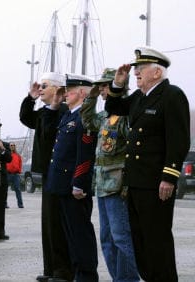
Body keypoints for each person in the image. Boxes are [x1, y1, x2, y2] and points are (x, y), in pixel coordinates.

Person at [105, 46, 190, 282]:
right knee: (140, 241)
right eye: (136, 69)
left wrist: (169, 177)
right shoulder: (140, 98)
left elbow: (179, 140)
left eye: (141, 69)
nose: (136, 73)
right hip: (136, 182)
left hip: (156, 183)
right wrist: (118, 84)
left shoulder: (172, 95)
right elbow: (112, 108)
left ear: (157, 72)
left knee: (157, 241)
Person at [81, 68, 140, 281]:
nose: (103, 90)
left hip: (118, 187)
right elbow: (87, 120)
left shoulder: (125, 116)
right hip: (103, 186)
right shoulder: (106, 116)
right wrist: (93, 95)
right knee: (106, 238)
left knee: (121, 237)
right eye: (102, 86)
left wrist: (127, 184)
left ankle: (128, 279)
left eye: (105, 86)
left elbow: (133, 151)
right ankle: (118, 277)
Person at [20, 72, 74, 282]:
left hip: (60, 174)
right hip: (47, 174)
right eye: (39, 86)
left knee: (59, 225)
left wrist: (51, 107)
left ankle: (63, 271)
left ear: (57, 89)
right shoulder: (44, 112)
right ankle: (51, 268)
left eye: (44, 86)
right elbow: (25, 118)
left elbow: (52, 133)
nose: (40, 88)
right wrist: (30, 98)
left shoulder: (62, 111)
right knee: (48, 226)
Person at [44, 74, 98, 282]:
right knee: (70, 236)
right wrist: (54, 104)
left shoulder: (84, 117)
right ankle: (77, 273)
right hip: (61, 185)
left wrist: (79, 183)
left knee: (80, 235)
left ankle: (86, 275)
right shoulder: (68, 116)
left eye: (71, 90)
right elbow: (48, 131)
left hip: (74, 186)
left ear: (83, 93)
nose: (66, 93)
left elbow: (84, 154)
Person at [6, 143, 23, 208]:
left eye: (13, 145)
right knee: (5, 190)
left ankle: (20, 204)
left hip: (16, 174)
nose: (12, 146)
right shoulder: (7, 155)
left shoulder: (18, 155)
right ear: (9, 147)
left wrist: (19, 170)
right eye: (11, 145)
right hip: (8, 174)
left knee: (18, 189)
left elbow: (20, 164)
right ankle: (5, 204)